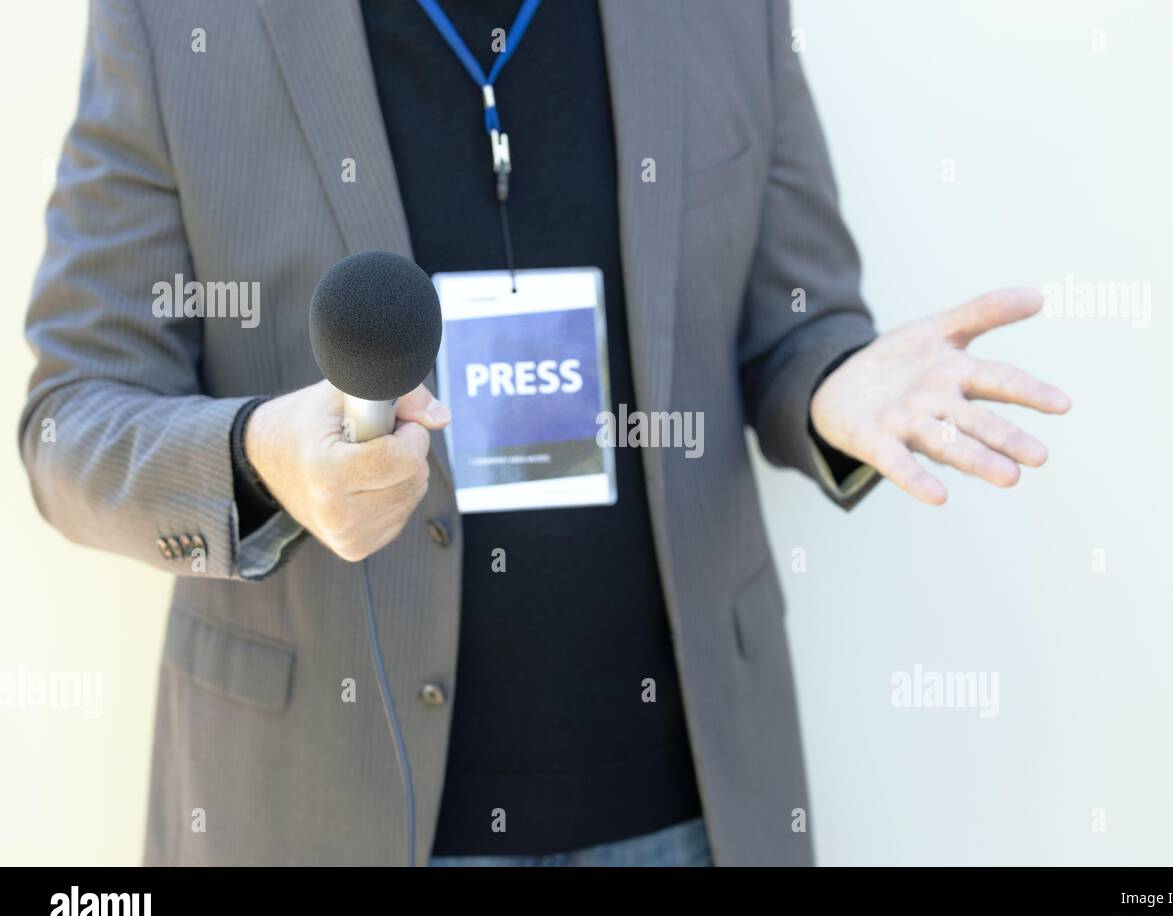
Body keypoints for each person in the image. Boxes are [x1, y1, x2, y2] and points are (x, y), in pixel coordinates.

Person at [19, 0, 1069, 867]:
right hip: (321, 809)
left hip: (690, 810)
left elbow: (793, 324)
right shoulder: (173, 22)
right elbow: (73, 417)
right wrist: (257, 459)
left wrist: (832, 381)